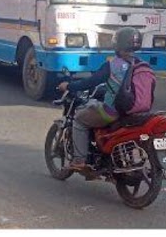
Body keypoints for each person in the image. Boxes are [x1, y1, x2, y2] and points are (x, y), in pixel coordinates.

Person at [57, 27, 143, 171]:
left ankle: (79, 160)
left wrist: (69, 86)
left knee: (79, 119)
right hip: (135, 111)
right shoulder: (141, 64)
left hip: (113, 112)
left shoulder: (112, 65)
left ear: (117, 44)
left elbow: (90, 82)